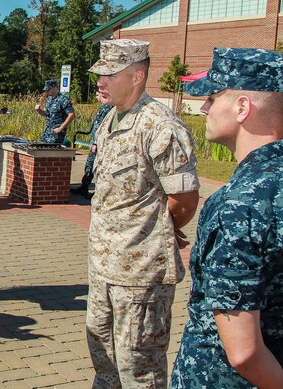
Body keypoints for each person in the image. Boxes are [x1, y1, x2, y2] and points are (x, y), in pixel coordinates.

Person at [85, 39, 200, 389]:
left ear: (137, 76)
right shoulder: (111, 118)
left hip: (139, 275)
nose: (100, 82)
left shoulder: (159, 126)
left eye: (109, 74)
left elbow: (185, 198)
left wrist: (160, 227)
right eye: (99, 74)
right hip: (104, 266)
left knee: (139, 369)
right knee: (104, 361)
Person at [171, 48, 283, 389]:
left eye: (212, 96)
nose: (204, 107)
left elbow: (244, 352)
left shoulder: (240, 204)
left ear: (242, 107)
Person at [70, 93, 113, 199]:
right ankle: (84, 187)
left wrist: (96, 142)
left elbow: (104, 127)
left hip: (100, 143)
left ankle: (99, 192)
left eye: (98, 94)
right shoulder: (103, 107)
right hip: (94, 141)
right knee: (89, 165)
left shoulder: (109, 107)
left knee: (97, 167)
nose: (96, 96)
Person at [35, 79, 75, 145]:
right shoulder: (49, 99)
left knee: (51, 151)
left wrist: (61, 128)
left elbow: (72, 114)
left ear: (54, 88)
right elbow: (46, 114)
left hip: (57, 132)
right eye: (46, 90)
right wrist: (39, 111)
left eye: (48, 89)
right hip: (47, 131)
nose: (46, 91)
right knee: (40, 148)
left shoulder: (63, 99)